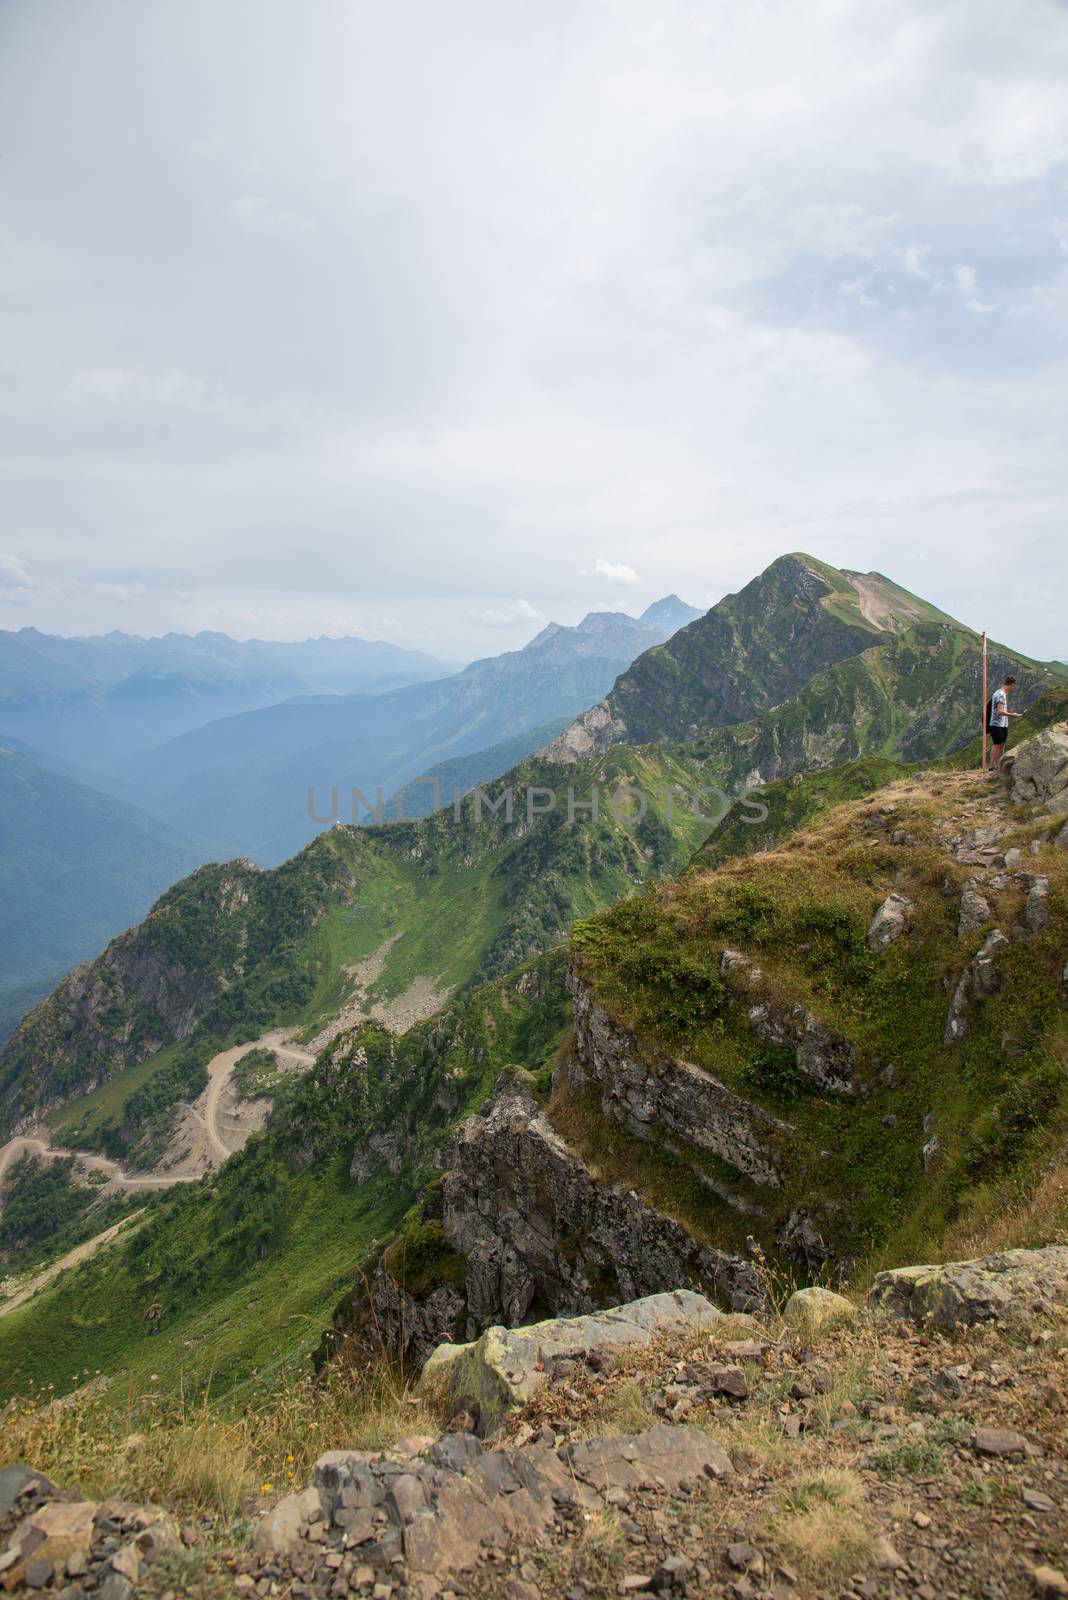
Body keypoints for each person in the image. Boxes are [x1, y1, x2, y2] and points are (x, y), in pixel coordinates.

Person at [988, 674, 1021, 774]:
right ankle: (992, 766)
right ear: (1011, 685)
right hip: (997, 724)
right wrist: (1013, 714)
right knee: (997, 744)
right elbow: (999, 711)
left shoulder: (1000, 693)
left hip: (1002, 724)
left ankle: (999, 764)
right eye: (1014, 686)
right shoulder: (1001, 695)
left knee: (1001, 744)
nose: (1014, 688)